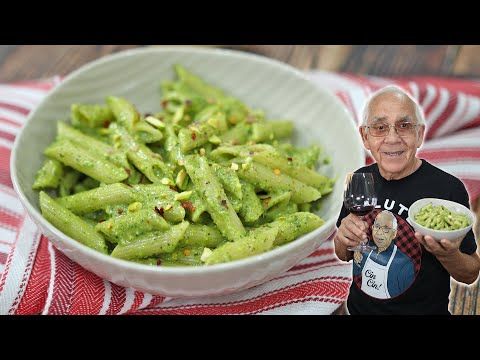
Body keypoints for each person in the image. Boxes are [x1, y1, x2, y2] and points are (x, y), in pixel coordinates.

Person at [335, 85, 480, 315]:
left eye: (404, 126)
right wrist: (343, 238)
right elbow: (344, 253)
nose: (392, 138)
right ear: (365, 136)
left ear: (420, 134)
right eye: (380, 127)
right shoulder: (360, 180)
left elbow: (471, 273)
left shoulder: (448, 189)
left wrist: (448, 254)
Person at [352, 210, 415, 299]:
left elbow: (410, 298)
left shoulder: (405, 265)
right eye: (377, 227)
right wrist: (357, 258)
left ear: (394, 234)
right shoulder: (365, 248)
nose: (379, 233)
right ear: (373, 228)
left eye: (386, 229)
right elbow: (356, 273)